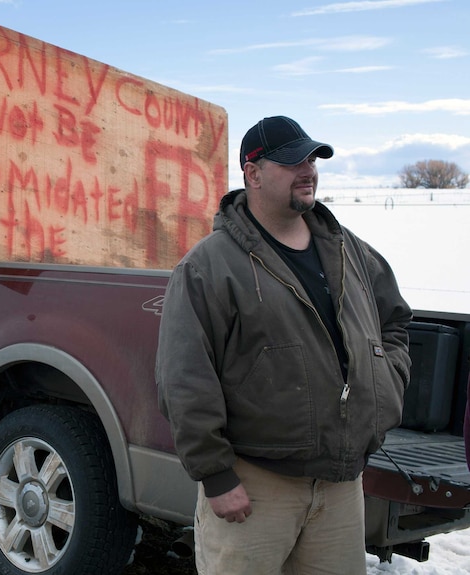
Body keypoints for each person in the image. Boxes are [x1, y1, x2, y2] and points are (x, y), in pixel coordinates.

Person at [155, 116, 412, 574]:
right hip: (254, 487)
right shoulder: (208, 267)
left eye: (312, 159)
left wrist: (385, 381)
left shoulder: (348, 249)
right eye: (293, 161)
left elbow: (394, 321)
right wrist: (216, 476)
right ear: (252, 173)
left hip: (340, 487)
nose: (308, 169)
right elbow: (185, 377)